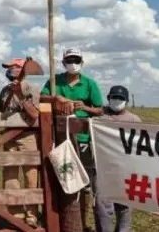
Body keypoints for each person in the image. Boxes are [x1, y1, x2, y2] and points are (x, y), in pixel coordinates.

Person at [40, 47, 103, 232]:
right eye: (69, 60)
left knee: (82, 181)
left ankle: (81, 221)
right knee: (61, 177)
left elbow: (99, 109)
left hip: (83, 138)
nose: (73, 63)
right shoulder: (55, 81)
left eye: (76, 60)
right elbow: (41, 97)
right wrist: (56, 98)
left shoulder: (89, 84)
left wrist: (85, 107)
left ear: (81, 63)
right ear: (63, 63)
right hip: (58, 137)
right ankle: (58, 220)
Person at [0, 58, 41, 227]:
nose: (9, 70)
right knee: (10, 175)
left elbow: (35, 115)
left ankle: (32, 215)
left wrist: (20, 96)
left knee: (30, 176)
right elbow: (0, 112)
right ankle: (15, 214)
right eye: (8, 68)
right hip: (9, 137)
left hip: (27, 137)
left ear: (22, 70)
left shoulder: (31, 88)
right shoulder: (5, 90)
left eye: (13, 67)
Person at [93, 85, 140, 232]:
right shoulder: (99, 117)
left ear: (126, 101)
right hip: (103, 168)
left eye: (120, 98)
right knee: (102, 204)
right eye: (114, 97)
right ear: (108, 98)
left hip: (126, 169)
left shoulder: (134, 120)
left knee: (125, 205)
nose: (117, 100)